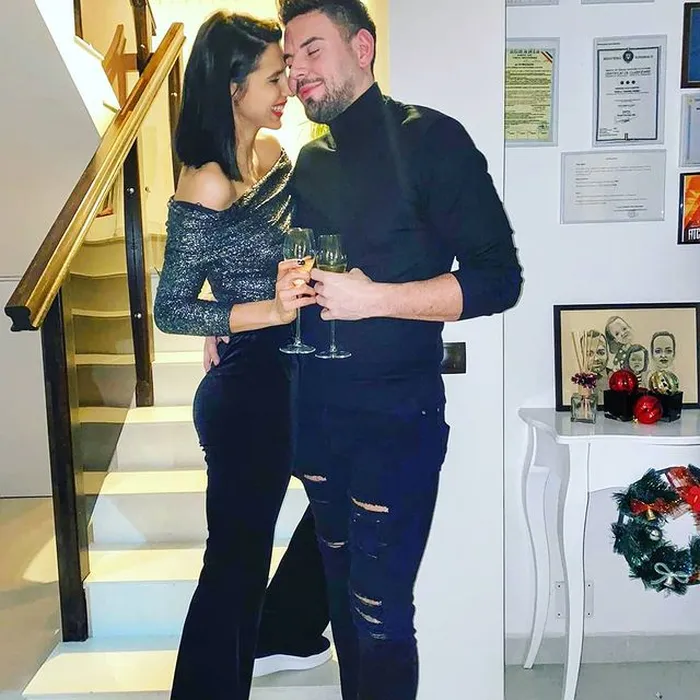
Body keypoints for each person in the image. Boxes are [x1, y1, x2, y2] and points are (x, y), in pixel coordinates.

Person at [279, 2, 522, 698]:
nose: (297, 72)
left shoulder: (433, 140)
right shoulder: (310, 161)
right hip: (315, 417)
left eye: (312, 50)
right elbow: (296, 274)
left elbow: (497, 279)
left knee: (380, 611)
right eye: (290, 59)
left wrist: (376, 298)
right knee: (338, 594)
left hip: (394, 423)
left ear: (363, 47)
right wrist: (253, 306)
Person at [153, 12, 321, 699]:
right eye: (274, 78)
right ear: (232, 87)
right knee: (236, 562)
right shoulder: (208, 181)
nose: (289, 89)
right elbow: (170, 306)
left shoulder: (274, 155)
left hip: (301, 365)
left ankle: (283, 627)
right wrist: (253, 314)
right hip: (250, 385)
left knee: (347, 494)